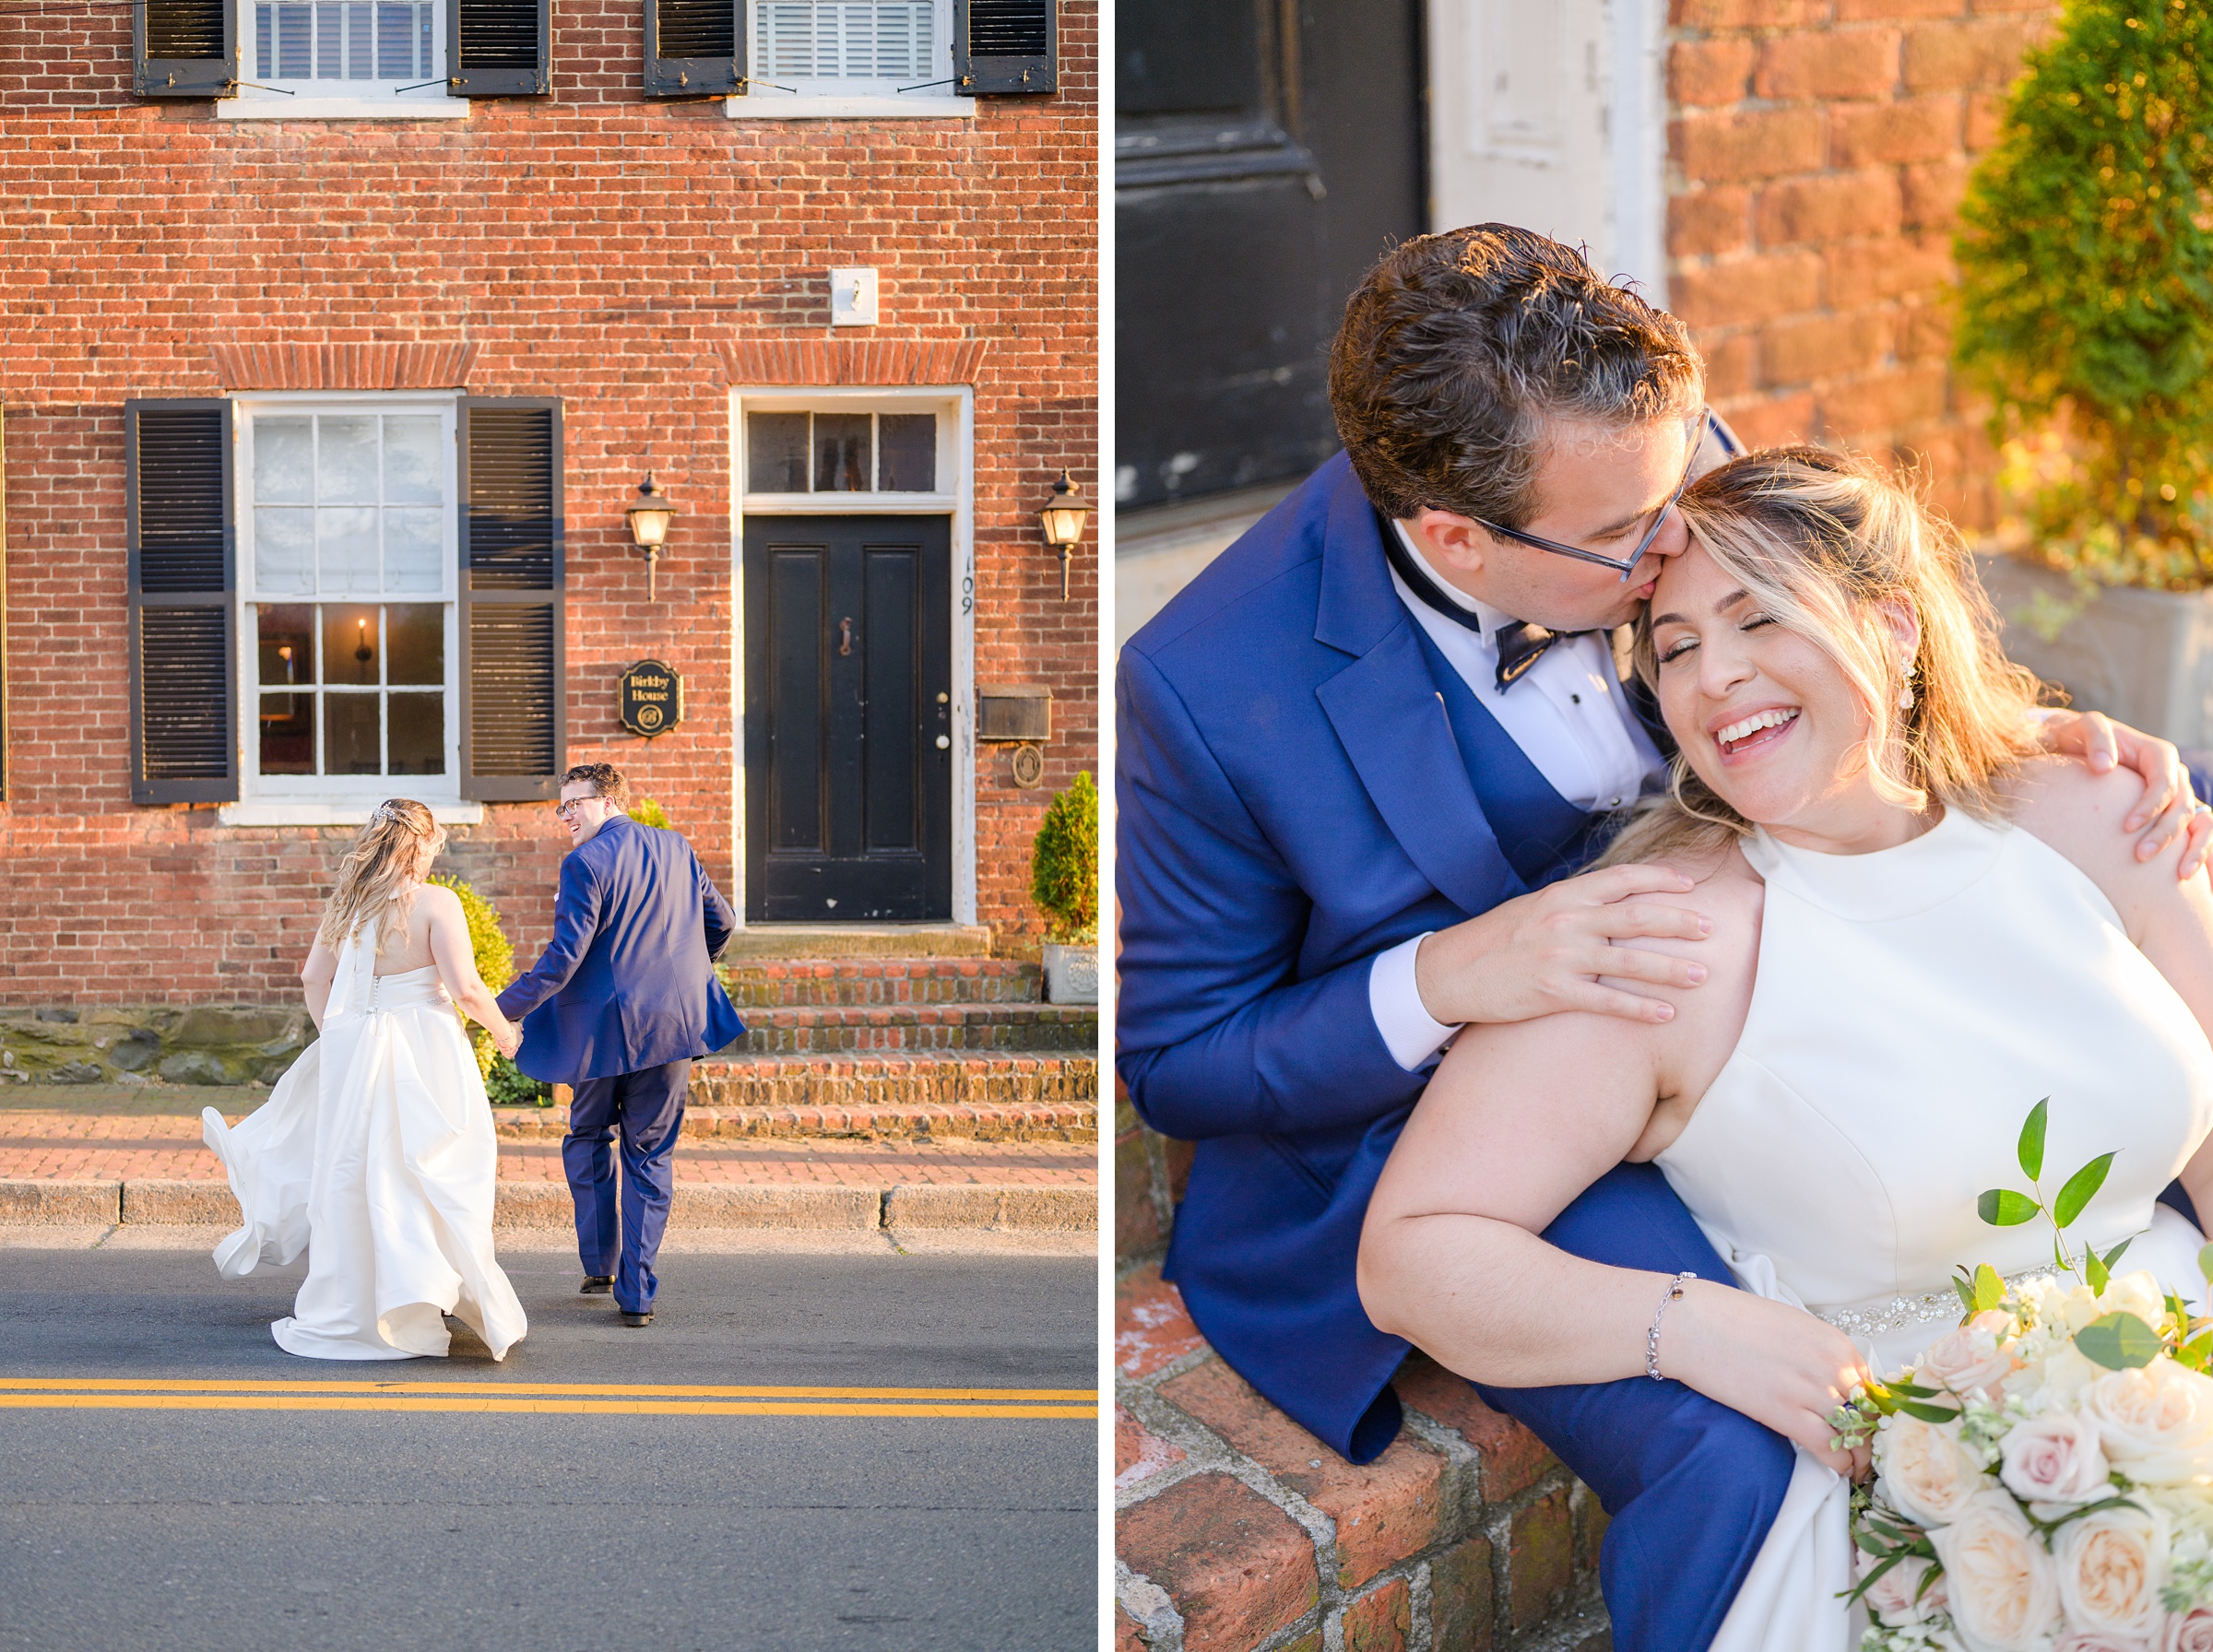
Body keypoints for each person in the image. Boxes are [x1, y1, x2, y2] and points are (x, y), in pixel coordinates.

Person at [1113, 225, 2212, 1651]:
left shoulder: (1638, 461)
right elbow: (1184, 1061)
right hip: (1499, 1084)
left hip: (1796, 939)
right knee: (1740, 1452)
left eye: (1688, 473)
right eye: (1644, 554)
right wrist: (1452, 975)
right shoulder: (1208, 682)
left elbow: (1824, 602)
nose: (1679, 544)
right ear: (1460, 540)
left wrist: (1989, 731)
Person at [1359, 445, 2213, 1646]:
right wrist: (1690, 1327)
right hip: (1927, 1500)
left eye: (1760, 617)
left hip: (2183, 1375)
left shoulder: (2093, 812)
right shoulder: (1667, 938)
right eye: (1677, 646)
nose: (1718, 678)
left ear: (1893, 626)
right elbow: (1413, 1255)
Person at [204, 798, 529, 1362]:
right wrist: (505, 1034)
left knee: (360, 1174)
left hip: (359, 1050)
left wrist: (339, 1034)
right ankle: (423, 1296)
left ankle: (363, 1303)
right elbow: (468, 989)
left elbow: (313, 977)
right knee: (432, 1168)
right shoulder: (436, 903)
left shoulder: (349, 905)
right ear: (422, 846)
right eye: (434, 847)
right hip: (425, 1049)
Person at [495, 762, 744, 1328]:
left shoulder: (585, 862)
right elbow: (723, 923)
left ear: (608, 802)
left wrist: (498, 1011)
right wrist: (686, 970)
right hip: (673, 1028)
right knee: (651, 1155)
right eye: (560, 808)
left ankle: (599, 1263)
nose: (565, 818)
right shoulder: (677, 847)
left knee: (586, 1135)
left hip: (603, 1035)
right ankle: (637, 1295)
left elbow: (563, 960)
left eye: (573, 805)